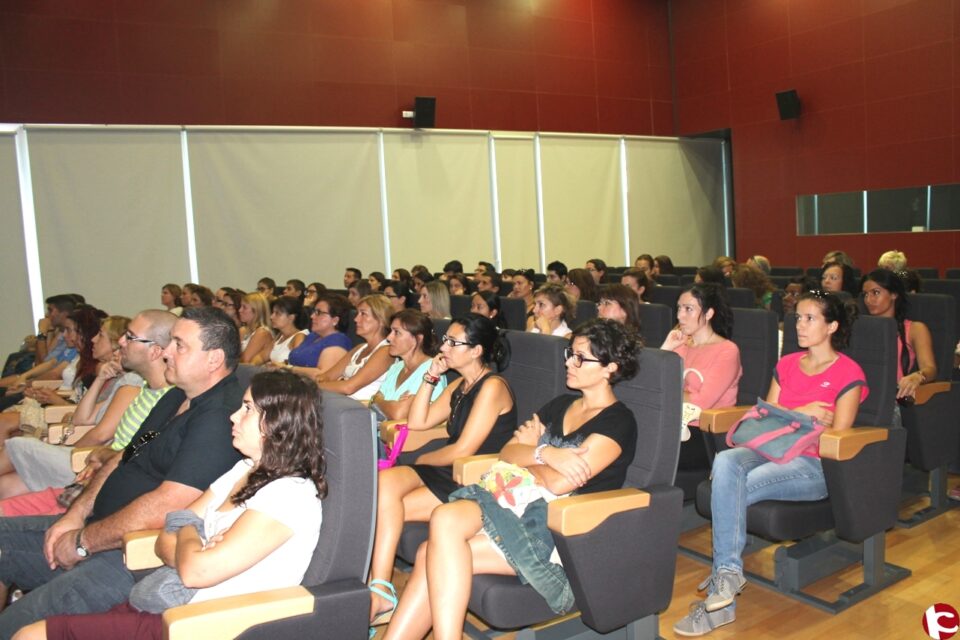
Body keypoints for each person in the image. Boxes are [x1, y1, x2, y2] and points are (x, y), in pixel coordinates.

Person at [13, 370, 327, 640]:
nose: (234, 416)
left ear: (278, 422)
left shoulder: (289, 496)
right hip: (162, 603)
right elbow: (169, 532)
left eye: (247, 409)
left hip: (193, 623)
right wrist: (196, 539)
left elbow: (194, 572)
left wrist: (188, 534)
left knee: (31, 635)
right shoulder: (244, 468)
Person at [382, 319, 640, 639]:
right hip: (516, 503)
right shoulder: (560, 405)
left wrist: (532, 453)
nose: (569, 363)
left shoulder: (618, 421)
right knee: (445, 518)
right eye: (569, 354)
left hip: (557, 529)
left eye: (580, 358)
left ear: (610, 368)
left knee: (428, 554)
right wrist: (547, 454)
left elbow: (561, 483)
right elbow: (507, 453)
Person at [0, 307, 243, 637]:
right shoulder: (175, 398)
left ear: (214, 359)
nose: (167, 352)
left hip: (129, 556)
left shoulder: (218, 417)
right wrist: (75, 516)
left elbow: (168, 504)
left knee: (14, 626)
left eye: (180, 345)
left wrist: (83, 542)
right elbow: (125, 455)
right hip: (96, 529)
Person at [673, 291, 867, 636]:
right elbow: (766, 416)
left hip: (814, 465)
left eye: (810, 318)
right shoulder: (787, 363)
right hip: (771, 449)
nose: (800, 325)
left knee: (729, 487)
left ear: (832, 326)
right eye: (798, 318)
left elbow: (837, 438)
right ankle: (728, 576)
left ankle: (722, 597)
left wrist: (787, 415)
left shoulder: (848, 372)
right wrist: (803, 413)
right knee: (727, 461)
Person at [369, 314, 516, 628]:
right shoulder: (461, 384)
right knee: (382, 486)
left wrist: (423, 460)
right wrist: (431, 376)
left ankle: (379, 592)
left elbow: (464, 449)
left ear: (476, 351)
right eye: (445, 340)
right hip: (448, 469)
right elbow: (418, 421)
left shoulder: (493, 387)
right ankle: (379, 587)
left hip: (473, 476)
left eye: (453, 342)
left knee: (388, 507)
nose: (443, 347)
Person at [0, 311, 176, 517]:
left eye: (130, 337)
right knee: (5, 485)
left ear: (155, 351)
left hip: (101, 479)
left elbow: (130, 451)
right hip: (93, 469)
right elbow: (91, 425)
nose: (121, 341)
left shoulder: (168, 400)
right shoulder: (145, 389)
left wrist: (97, 456)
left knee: (17, 444)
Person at [0, 315, 137, 499]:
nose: (93, 339)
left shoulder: (132, 383)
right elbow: (82, 419)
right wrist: (100, 379)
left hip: (86, 458)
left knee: (16, 445)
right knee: (5, 485)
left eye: (100, 335)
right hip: (82, 449)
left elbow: (101, 435)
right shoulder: (120, 379)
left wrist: (68, 449)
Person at [660, 284, 742, 470]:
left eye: (688, 309)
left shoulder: (727, 351)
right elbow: (652, 387)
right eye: (679, 308)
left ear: (709, 313)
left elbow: (700, 404)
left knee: (642, 448)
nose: (680, 315)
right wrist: (666, 348)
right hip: (672, 424)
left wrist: (669, 393)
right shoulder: (679, 345)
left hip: (704, 434)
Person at [860, 269, 936, 407]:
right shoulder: (860, 328)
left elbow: (930, 369)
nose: (869, 300)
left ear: (894, 294)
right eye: (865, 294)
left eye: (875, 292)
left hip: (890, 402)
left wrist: (918, 376)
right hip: (858, 396)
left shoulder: (914, 329)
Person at [370, 310, 447, 421]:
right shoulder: (396, 367)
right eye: (391, 331)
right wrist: (389, 404)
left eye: (397, 332)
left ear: (418, 339)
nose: (389, 337)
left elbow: (398, 414)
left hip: (404, 432)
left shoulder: (434, 370)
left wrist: (379, 401)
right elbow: (374, 400)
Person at [316, 295, 393, 401]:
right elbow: (326, 377)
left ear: (381, 320)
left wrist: (313, 387)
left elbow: (349, 387)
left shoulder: (386, 351)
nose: (356, 319)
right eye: (357, 313)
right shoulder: (358, 349)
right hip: (341, 403)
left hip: (361, 407)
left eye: (363, 314)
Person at [284, 294, 353, 380]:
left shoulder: (338, 342)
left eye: (319, 313)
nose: (312, 316)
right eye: (314, 311)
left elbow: (323, 376)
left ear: (335, 320)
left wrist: (289, 369)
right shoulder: (313, 336)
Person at [236, 292, 273, 365]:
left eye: (244, 307)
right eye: (240, 306)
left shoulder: (262, 332)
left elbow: (246, 359)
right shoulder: (243, 330)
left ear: (256, 311)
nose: (239, 310)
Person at [267, 297, 306, 365]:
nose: (271, 317)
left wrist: (276, 365)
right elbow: (261, 356)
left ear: (291, 317)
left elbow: (296, 362)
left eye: (277, 313)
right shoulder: (279, 336)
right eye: (272, 312)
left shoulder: (299, 337)